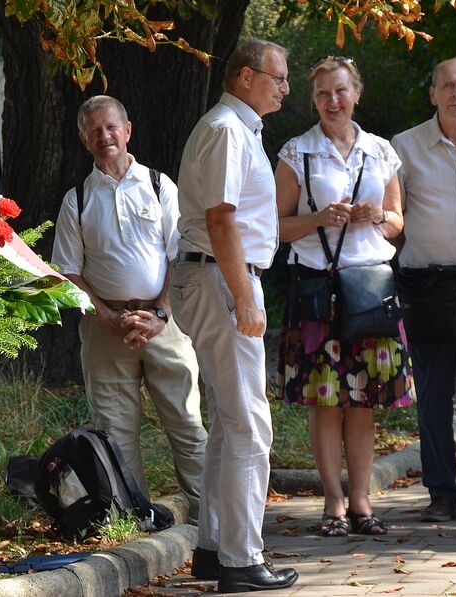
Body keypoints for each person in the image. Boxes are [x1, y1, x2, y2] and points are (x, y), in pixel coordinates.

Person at [171, 39, 298, 593]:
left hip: (218, 275)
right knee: (248, 421)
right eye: (279, 78)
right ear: (246, 76)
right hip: (223, 277)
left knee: (228, 419)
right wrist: (245, 297)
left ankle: (214, 549)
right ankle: (242, 561)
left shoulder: (237, 128)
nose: (285, 88)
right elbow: (221, 220)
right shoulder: (226, 128)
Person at [274, 57, 414, 537]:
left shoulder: (381, 151)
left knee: (364, 401)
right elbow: (276, 227)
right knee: (326, 402)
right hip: (316, 289)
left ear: (356, 93)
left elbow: (398, 222)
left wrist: (376, 216)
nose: (332, 102)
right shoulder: (298, 152)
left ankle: (361, 500)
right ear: (312, 100)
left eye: (340, 92)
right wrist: (318, 219)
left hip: (369, 289)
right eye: (322, 95)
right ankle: (333, 502)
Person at [51, 95, 208, 525]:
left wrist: (158, 314)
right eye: (95, 131)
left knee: (187, 424)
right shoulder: (77, 200)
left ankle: (212, 520)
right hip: (106, 330)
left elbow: (182, 257)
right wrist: (108, 317)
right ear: (85, 140)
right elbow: (68, 273)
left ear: (127, 130)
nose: (105, 137)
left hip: (166, 323)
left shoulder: (160, 186)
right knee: (116, 435)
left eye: (111, 127)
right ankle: (134, 523)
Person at [392, 57, 456, 522]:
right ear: (432, 93)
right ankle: (441, 493)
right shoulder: (404, 147)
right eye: (447, 85)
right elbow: (392, 222)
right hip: (429, 291)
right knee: (433, 396)